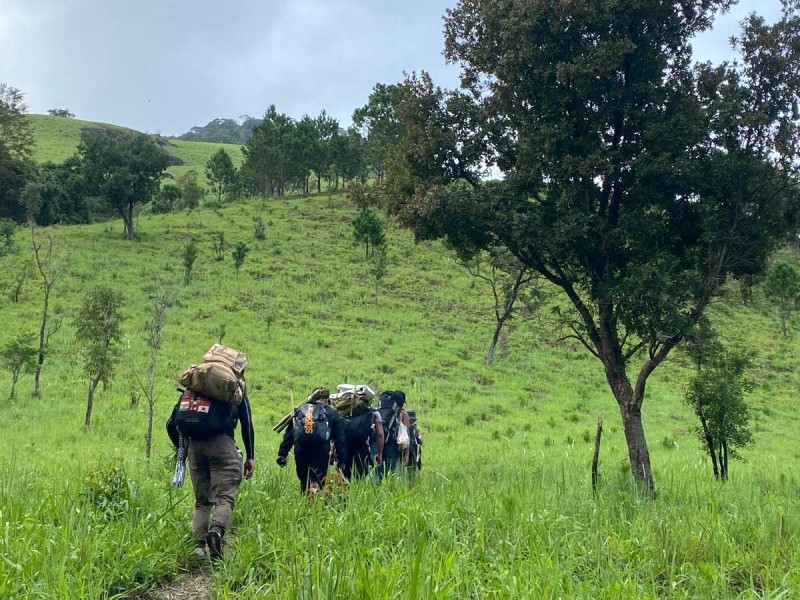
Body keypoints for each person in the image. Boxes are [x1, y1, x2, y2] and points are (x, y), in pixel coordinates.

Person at [166, 391, 255, 560]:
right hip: (223, 445)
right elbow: (247, 424)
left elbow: (171, 424)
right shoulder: (233, 390)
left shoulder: (191, 390)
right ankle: (216, 532)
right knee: (224, 498)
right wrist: (250, 456)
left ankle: (198, 548)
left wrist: (183, 448)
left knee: (201, 502)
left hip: (195, 448)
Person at [276, 387, 349, 494]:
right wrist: (342, 459)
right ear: (327, 400)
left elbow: (290, 434)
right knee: (319, 480)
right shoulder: (331, 413)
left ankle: (304, 502)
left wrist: (282, 453)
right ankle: (317, 505)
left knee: (304, 480)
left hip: (301, 450)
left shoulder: (300, 411)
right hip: (321, 451)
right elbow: (340, 439)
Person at [375, 390, 409, 485]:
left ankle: (377, 487)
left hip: (379, 440)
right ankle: (390, 488)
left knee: (378, 468)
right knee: (391, 470)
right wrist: (406, 454)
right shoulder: (403, 414)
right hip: (392, 443)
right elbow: (405, 436)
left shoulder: (380, 409)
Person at [342, 407, 385, 480]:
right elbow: (380, 435)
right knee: (361, 477)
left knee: (343, 478)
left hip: (344, 449)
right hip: (362, 449)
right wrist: (379, 454)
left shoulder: (342, 411)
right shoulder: (374, 413)